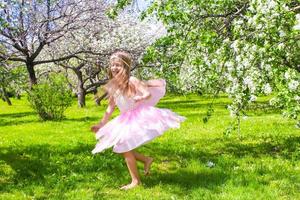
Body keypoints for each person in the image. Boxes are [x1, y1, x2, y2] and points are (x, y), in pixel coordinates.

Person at [91, 50, 185, 190]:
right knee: (122, 147)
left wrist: (140, 98)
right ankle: (146, 160)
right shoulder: (114, 85)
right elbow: (110, 108)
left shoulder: (132, 80)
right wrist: (101, 123)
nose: (114, 68)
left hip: (137, 115)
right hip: (124, 119)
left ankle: (136, 181)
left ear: (125, 66)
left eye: (118, 65)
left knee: (124, 147)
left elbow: (146, 93)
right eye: (112, 65)